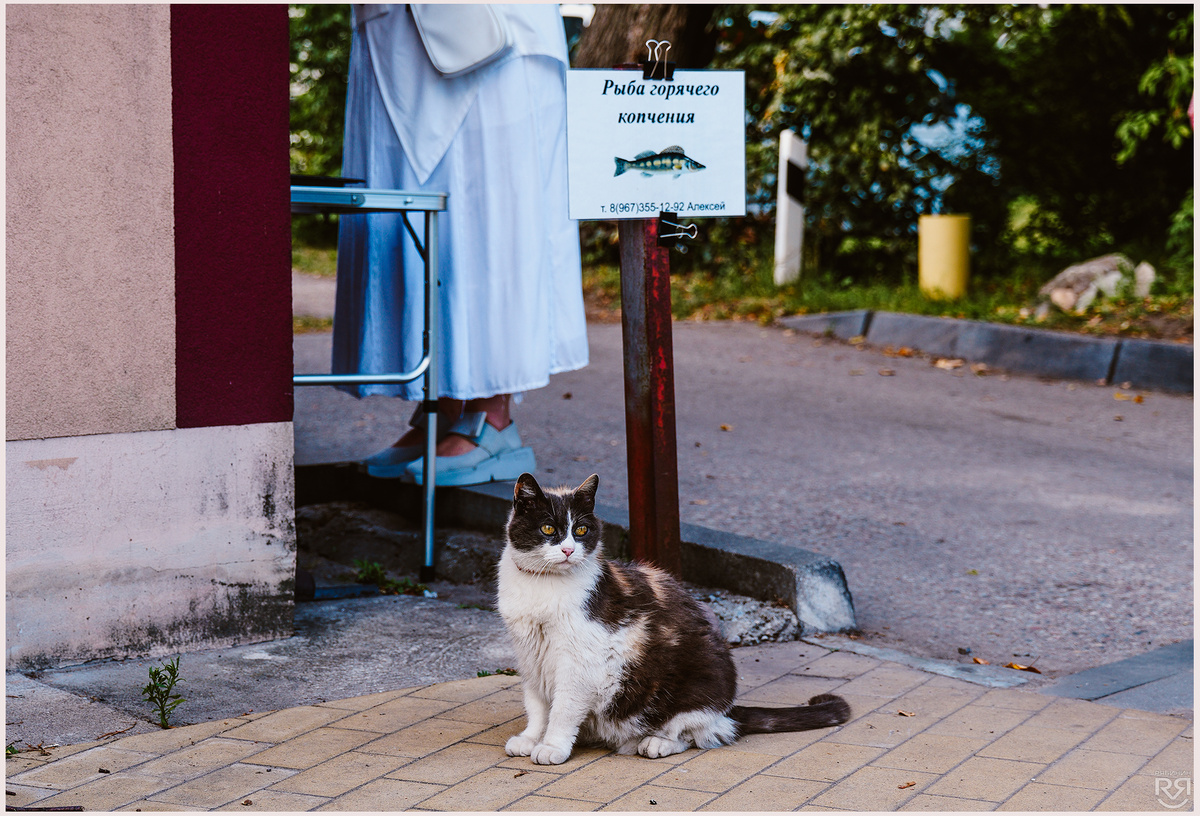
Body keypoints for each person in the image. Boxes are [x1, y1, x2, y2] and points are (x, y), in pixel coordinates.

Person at [332, 4, 588, 486]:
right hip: (395, 32)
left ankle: (492, 417)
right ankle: (446, 410)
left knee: (487, 212)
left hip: (493, 32)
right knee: (420, 218)